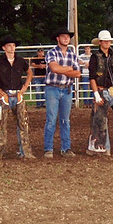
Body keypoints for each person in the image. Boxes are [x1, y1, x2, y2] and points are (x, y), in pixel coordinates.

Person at [0, 36, 34, 160]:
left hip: (17, 93)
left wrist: (25, 87)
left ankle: (25, 152)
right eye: (9, 45)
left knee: (23, 123)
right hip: (4, 94)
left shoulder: (20, 61)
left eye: (13, 45)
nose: (12, 47)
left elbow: (30, 73)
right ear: (4, 48)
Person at [43, 28, 82, 158]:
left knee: (65, 120)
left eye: (67, 36)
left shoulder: (72, 54)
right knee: (51, 119)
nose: (66, 38)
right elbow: (54, 68)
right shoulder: (51, 52)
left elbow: (78, 73)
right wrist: (69, 69)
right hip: (53, 88)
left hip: (66, 89)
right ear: (58, 38)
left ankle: (66, 148)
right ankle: (48, 148)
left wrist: (62, 70)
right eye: (63, 36)